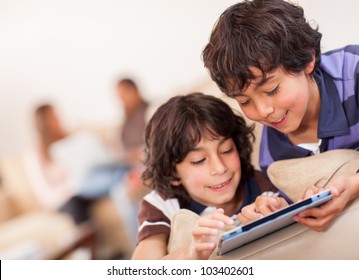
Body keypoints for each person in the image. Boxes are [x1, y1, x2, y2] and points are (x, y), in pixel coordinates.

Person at [202, 0, 359, 232]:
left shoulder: (354, 72)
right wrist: (275, 207)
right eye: (245, 101)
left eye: (272, 90)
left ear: (307, 59)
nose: (263, 111)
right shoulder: (273, 156)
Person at [131, 92, 277, 260]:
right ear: (172, 172)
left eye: (226, 150)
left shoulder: (262, 187)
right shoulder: (163, 205)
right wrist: (190, 253)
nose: (219, 168)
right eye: (199, 160)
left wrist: (274, 213)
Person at [24, 103, 129, 224]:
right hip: (66, 197)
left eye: (57, 115)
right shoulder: (36, 154)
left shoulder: (71, 138)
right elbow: (45, 195)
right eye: (52, 117)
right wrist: (72, 187)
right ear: (43, 123)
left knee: (109, 178)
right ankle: (89, 242)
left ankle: (124, 176)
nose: (58, 120)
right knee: (76, 205)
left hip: (85, 185)